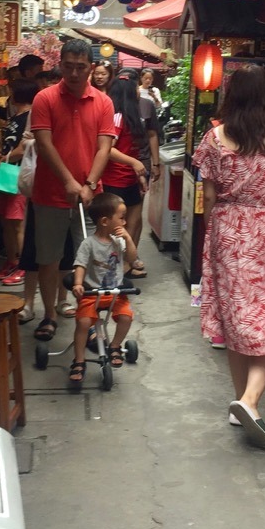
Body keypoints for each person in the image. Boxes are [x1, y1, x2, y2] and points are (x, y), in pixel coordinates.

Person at [193, 64, 265, 450]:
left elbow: (208, 196)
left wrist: (215, 235)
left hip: (226, 229)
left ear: (232, 94)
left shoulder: (214, 137)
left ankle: (241, 400)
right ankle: (250, 400)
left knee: (236, 317)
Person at [29, 39, 117, 343]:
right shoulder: (45, 98)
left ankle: (89, 320)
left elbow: (104, 147)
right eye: (69, 67)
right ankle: (49, 315)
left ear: (91, 67)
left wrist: (90, 184)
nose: (75, 73)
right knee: (49, 259)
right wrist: (68, 181)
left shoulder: (103, 102)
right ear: (60, 65)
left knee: (93, 259)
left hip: (91, 198)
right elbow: (44, 143)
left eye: (81, 67)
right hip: (49, 194)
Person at [69, 192, 138, 387]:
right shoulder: (88, 244)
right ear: (105, 221)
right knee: (83, 322)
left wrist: (128, 239)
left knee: (126, 317)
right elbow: (80, 264)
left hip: (116, 293)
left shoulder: (119, 241)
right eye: (121, 218)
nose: (124, 222)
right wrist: (78, 283)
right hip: (92, 293)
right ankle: (79, 360)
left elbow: (132, 258)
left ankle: (115, 345)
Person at [107, 70, 161, 277]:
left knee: (133, 222)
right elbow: (108, 149)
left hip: (129, 178)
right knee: (119, 226)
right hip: (116, 179)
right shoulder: (118, 117)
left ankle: (126, 264)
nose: (139, 91)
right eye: (135, 89)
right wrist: (134, 163)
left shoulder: (129, 116)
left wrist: (138, 171)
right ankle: (118, 268)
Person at [0, 79, 38, 289]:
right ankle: (11, 261)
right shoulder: (14, 116)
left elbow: (23, 148)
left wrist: (4, 158)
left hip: (18, 171)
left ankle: (23, 265)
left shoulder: (30, 116)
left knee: (18, 221)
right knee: (6, 219)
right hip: (7, 170)